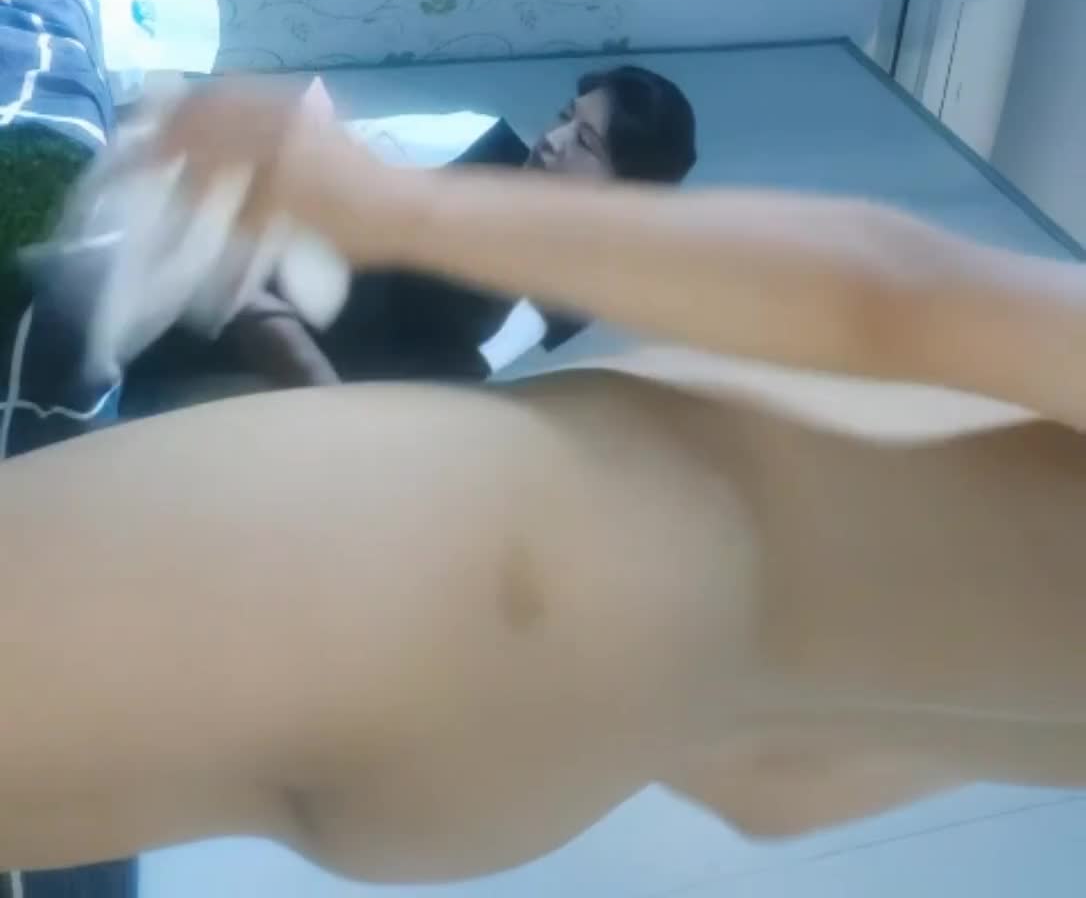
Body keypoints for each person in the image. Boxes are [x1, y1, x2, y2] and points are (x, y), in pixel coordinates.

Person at [4, 74, 1086, 880]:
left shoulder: (525, 301)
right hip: (536, 780)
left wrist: (384, 207)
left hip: (518, 540)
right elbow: (786, 795)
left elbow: (894, 298)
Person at [127, 64, 697, 399]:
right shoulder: (472, 141)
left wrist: (278, 339)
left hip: (262, 371)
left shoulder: (555, 300)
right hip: (212, 248)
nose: (553, 139)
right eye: (565, 117)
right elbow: (305, 145)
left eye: (586, 143)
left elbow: (417, 385)